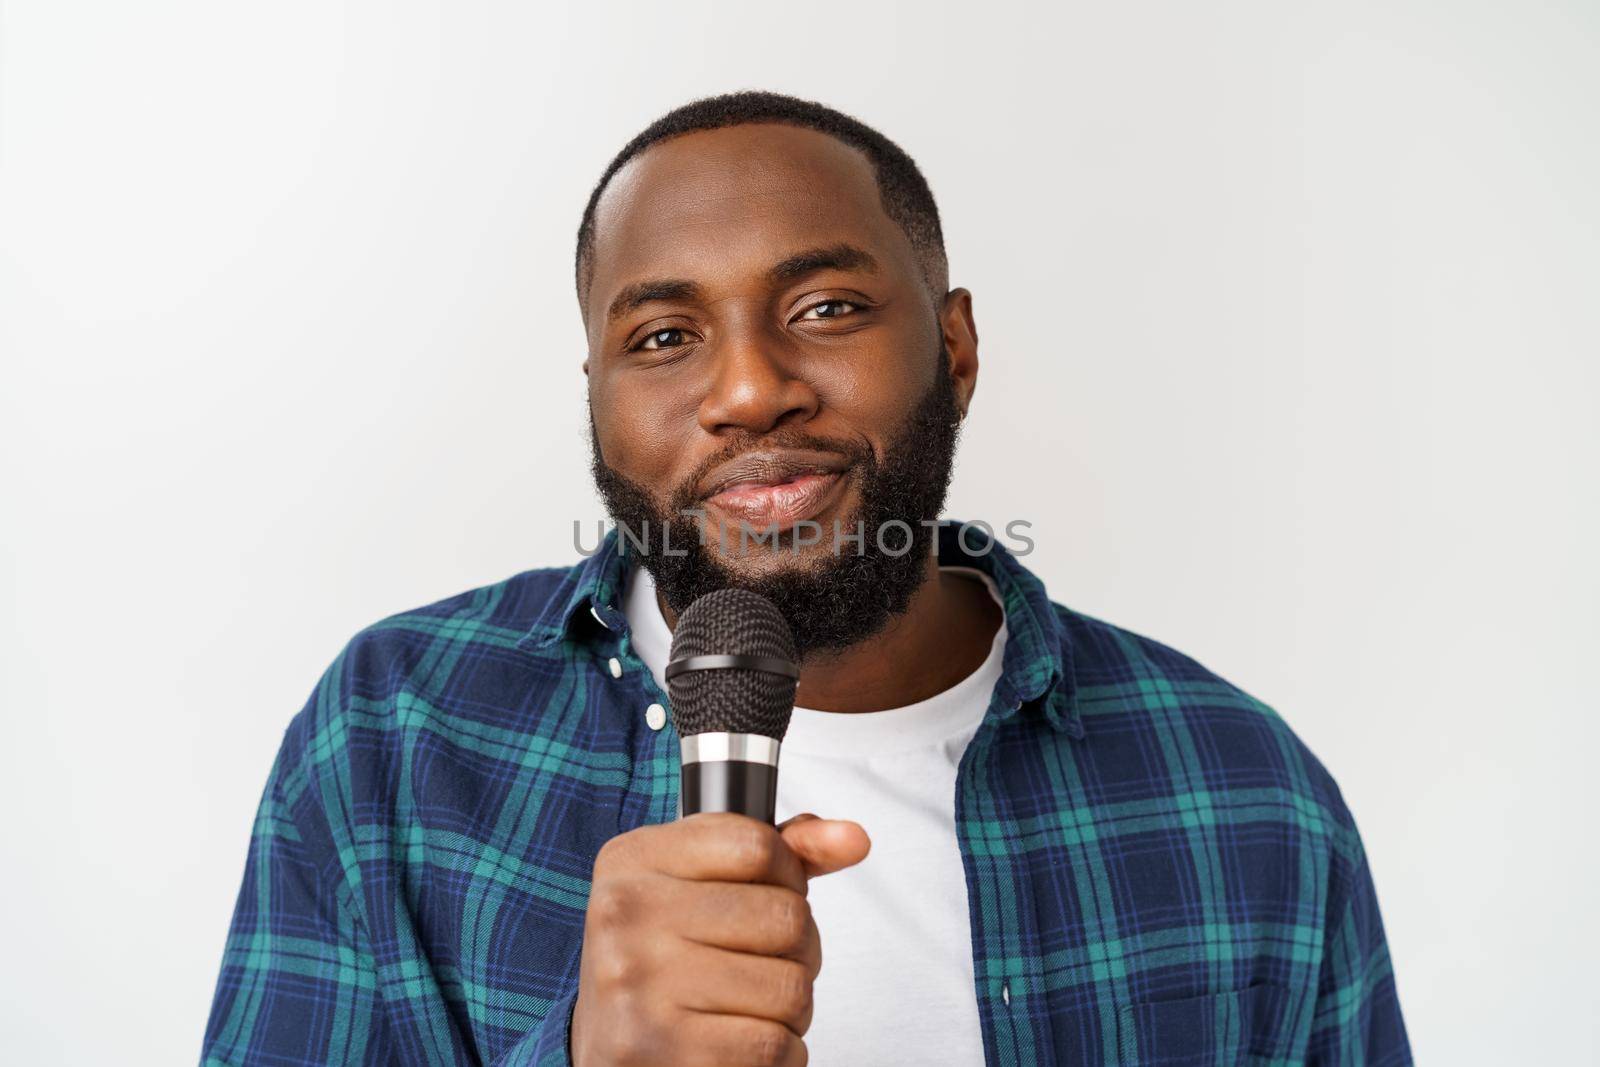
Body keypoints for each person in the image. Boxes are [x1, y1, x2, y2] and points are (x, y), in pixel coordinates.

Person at [202, 91, 1412, 1066]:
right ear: (597, 397)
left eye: (826, 307)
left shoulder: (1247, 793)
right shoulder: (395, 734)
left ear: (954, 346)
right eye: (664, 337)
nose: (746, 390)